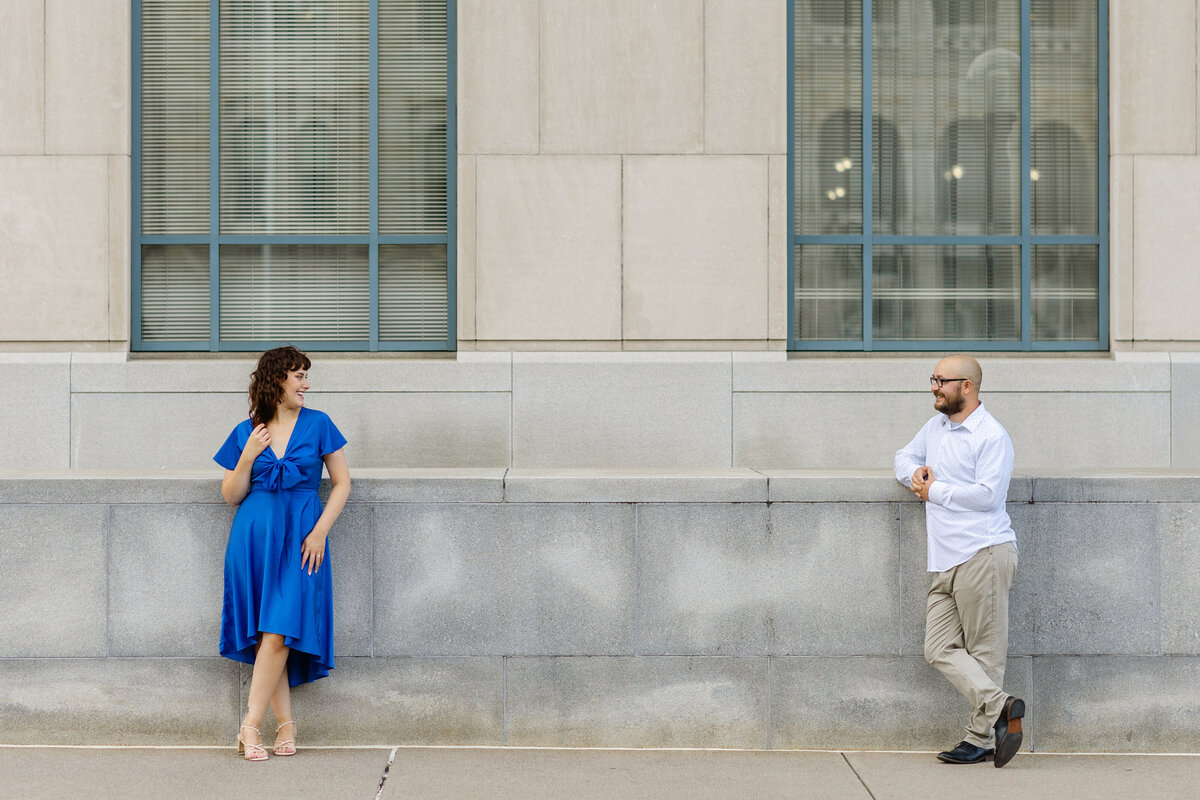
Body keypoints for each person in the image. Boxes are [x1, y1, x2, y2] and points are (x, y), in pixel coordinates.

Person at [214, 346, 351, 761]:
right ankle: (286, 725)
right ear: (276, 380)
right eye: (298, 376)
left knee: (279, 629)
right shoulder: (247, 431)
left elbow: (343, 483)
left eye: (307, 376)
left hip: (302, 540)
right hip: (253, 538)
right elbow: (230, 495)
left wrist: (320, 532)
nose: (306, 384)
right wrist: (248, 456)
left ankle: (249, 727)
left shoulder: (320, 424)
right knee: (267, 636)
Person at [893, 354, 1025, 768]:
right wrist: (914, 475)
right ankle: (1002, 706)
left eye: (941, 381)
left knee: (985, 654)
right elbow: (903, 456)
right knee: (937, 648)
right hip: (945, 559)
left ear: (967, 385)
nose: (933, 386)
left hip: (983, 553)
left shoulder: (991, 436)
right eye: (932, 379)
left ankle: (979, 738)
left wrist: (936, 491)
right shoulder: (937, 426)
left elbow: (987, 495)